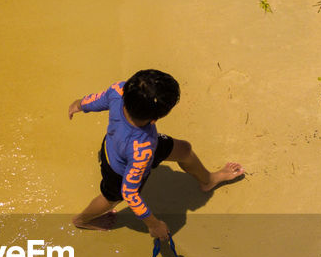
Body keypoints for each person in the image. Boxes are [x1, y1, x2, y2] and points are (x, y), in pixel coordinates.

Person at [67, 69, 244, 240]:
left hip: (114, 145)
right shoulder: (142, 150)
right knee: (111, 198)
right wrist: (153, 224)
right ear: (155, 119)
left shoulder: (118, 90)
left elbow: (96, 100)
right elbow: (129, 192)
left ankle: (207, 180)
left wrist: (79, 104)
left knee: (184, 149)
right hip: (119, 169)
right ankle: (82, 220)